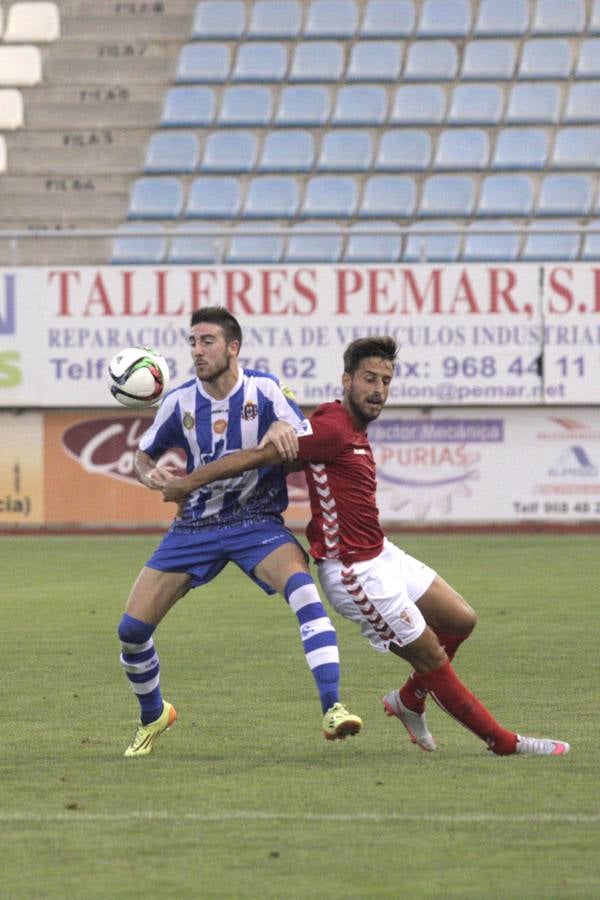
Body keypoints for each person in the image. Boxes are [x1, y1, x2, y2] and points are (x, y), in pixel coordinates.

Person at [162, 336, 570, 757]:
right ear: (346, 379)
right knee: (430, 655)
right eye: (369, 379)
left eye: (386, 381)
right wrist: (189, 483)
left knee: (461, 620)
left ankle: (409, 701)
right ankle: (503, 743)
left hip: (381, 553)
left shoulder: (351, 425)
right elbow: (258, 456)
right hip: (354, 574)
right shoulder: (332, 427)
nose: (378, 390)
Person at [118, 306, 362, 757]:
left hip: (256, 523)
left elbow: (296, 426)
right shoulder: (179, 401)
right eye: (192, 342)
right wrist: (150, 475)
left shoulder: (265, 388)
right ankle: (154, 713)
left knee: (304, 592)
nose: (197, 350)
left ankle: (333, 708)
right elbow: (143, 456)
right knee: (131, 631)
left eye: (207, 341)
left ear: (233, 347)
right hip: (194, 526)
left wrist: (279, 424)